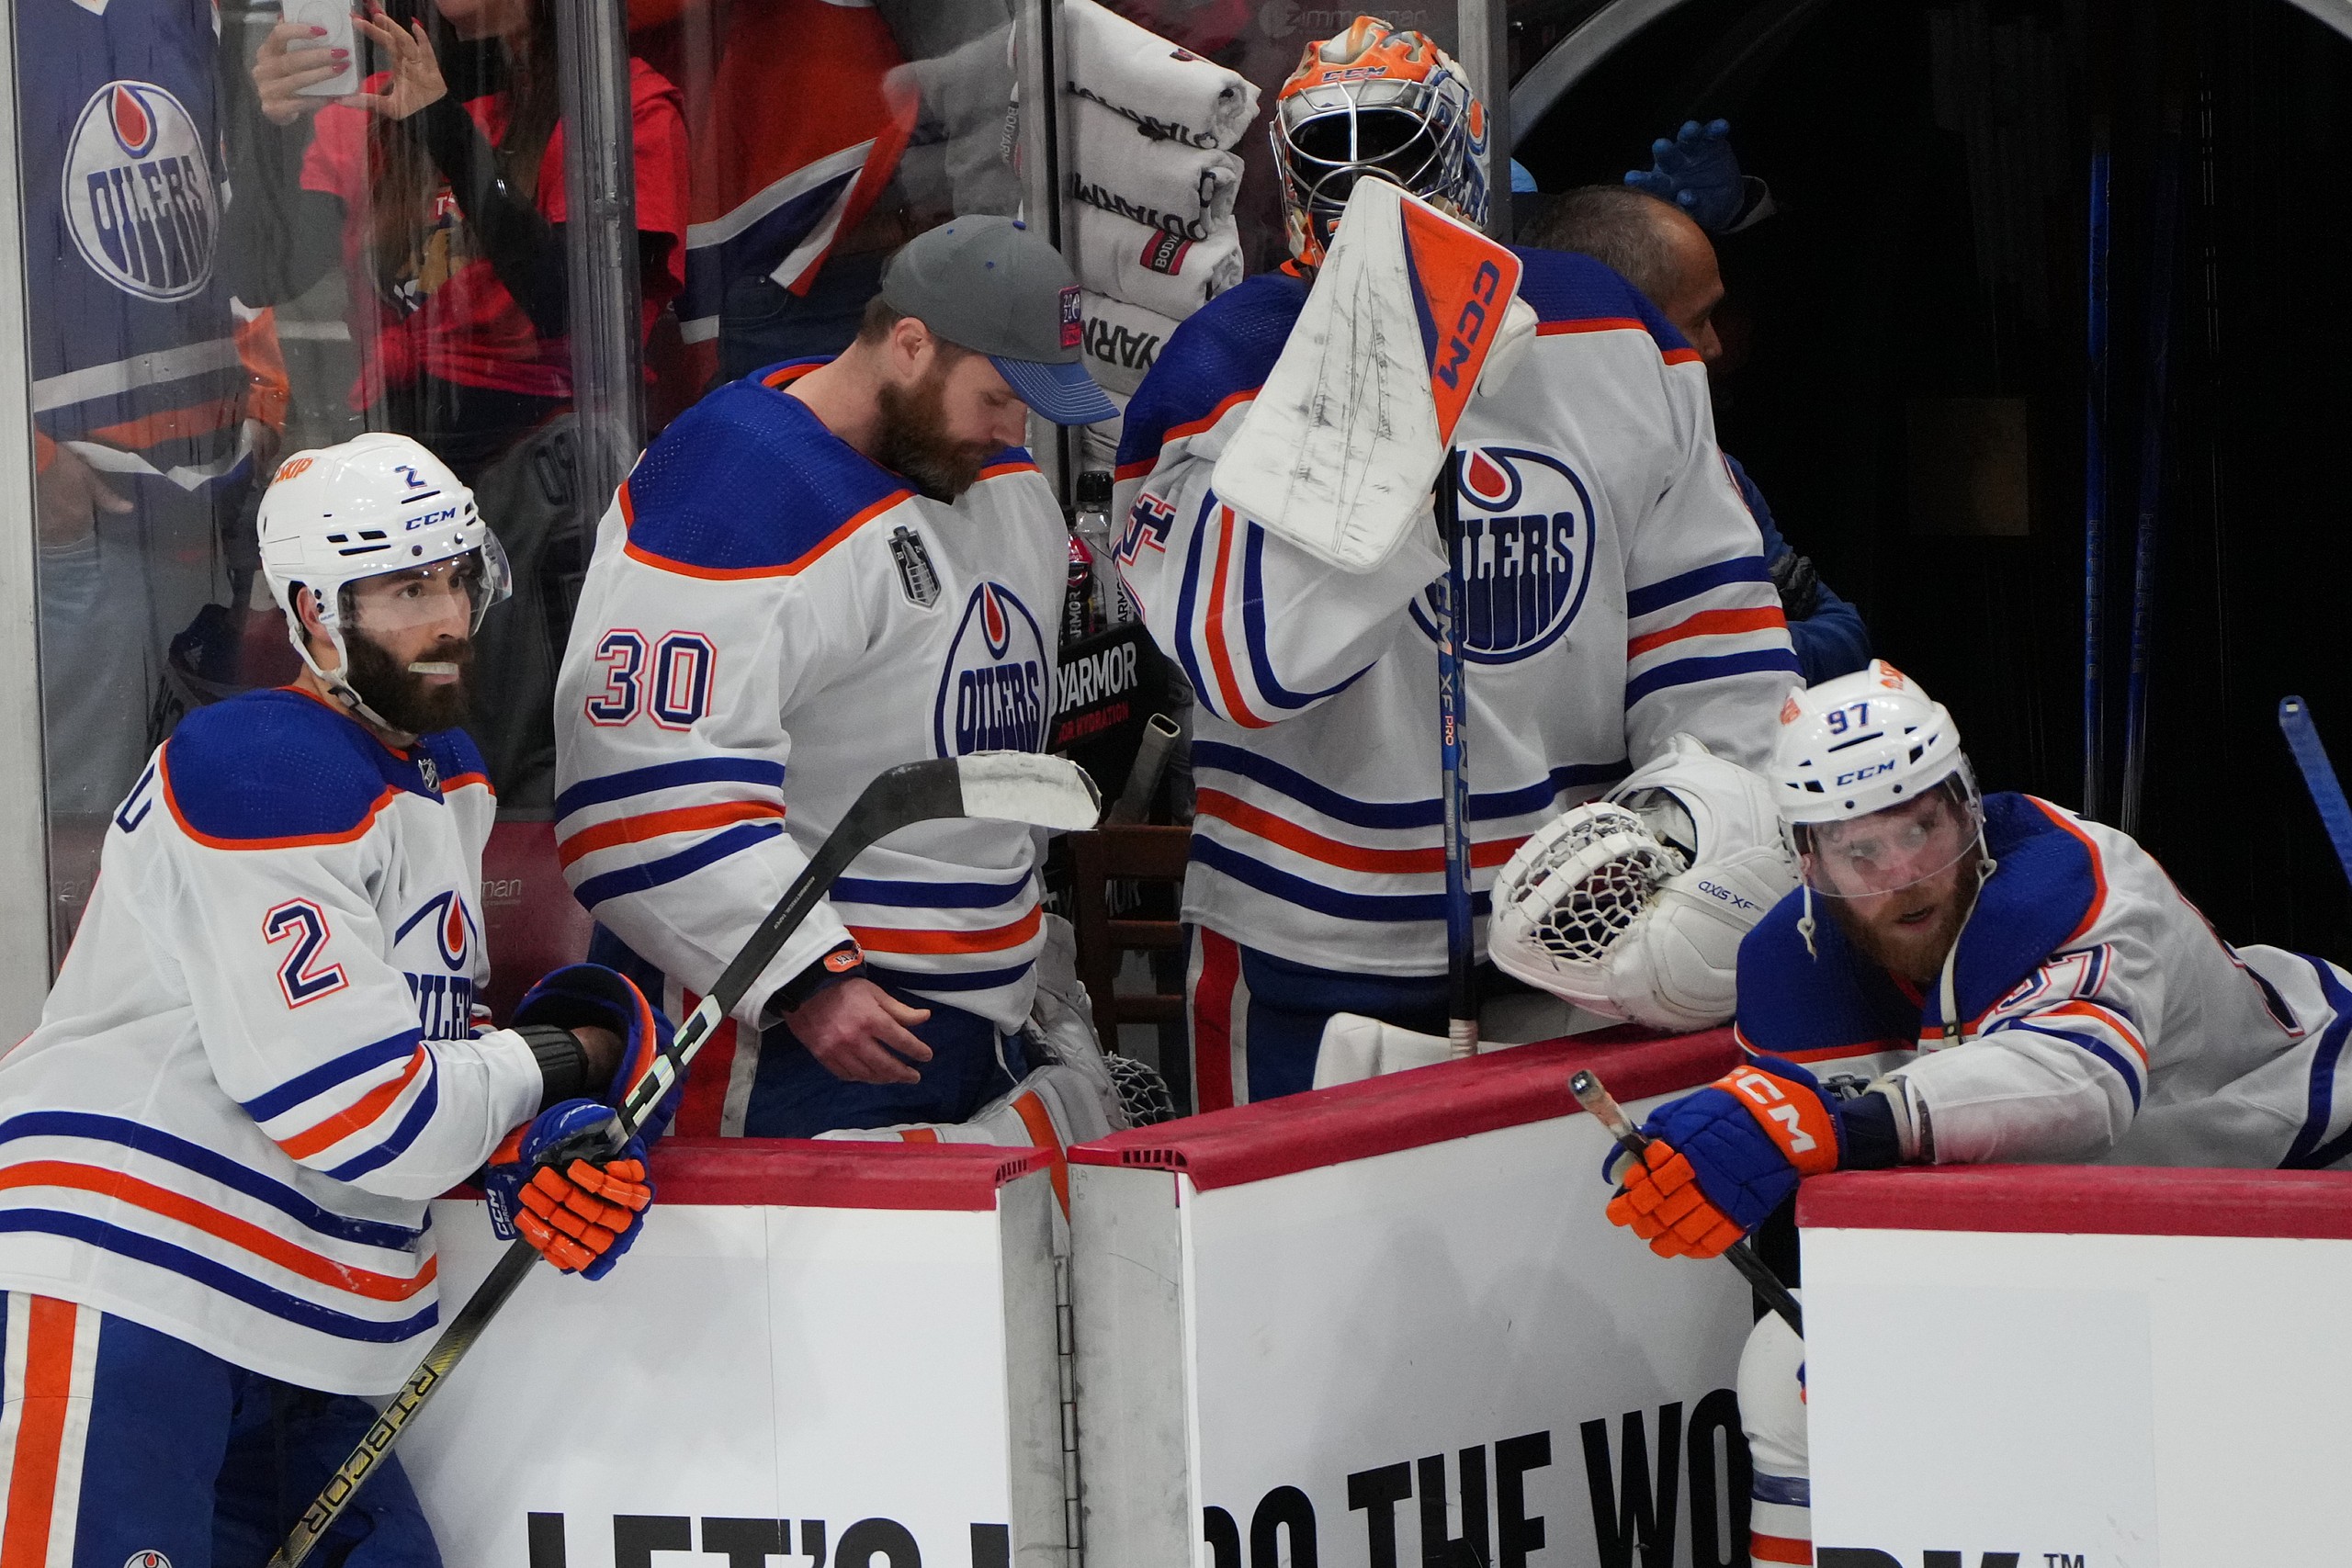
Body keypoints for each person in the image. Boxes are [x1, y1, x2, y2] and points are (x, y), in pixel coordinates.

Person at [0, 434, 674, 1562]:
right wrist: (568, 1060)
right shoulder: (260, 764)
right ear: (313, 614)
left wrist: (538, 1139)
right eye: (407, 588)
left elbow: (421, 1049)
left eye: (458, 578)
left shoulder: (440, 776)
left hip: (297, 1320)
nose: (449, 616)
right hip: (130, 1277)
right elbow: (371, 1115)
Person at [1112, 17, 1801, 1107]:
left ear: (1467, 154)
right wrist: (1394, 385)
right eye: (1334, 160)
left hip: (1587, 938)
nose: (1366, 187)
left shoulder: (1612, 334)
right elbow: (1248, 667)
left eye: (1396, 148)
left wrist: (1680, 843)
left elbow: (1712, 654)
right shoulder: (1224, 364)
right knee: (1299, 1278)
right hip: (1309, 956)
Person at [1602, 660, 2352, 1566]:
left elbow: (2078, 1086)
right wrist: (1714, 1158)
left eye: (1923, 826)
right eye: (1861, 852)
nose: (1908, 876)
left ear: (1965, 802)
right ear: (1808, 859)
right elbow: (1819, 1203)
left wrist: (1818, 1126)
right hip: (2099, 1247)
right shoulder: (1787, 967)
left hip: (2308, 1188)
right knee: (1792, 1376)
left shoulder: (2073, 878)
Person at [553, 215, 1119, 1139]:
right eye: (997, 396)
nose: (1015, 429)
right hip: (795, 1042)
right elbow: (630, 795)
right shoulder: (729, 490)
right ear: (909, 345)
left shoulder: (1000, 480)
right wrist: (805, 977)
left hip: (986, 1033)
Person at [230, 0, 689, 805]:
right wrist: (269, 126)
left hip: (543, 464)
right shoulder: (370, 95)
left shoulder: (620, 101)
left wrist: (445, 129)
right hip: (398, 472)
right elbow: (262, 274)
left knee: (527, 764)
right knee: (390, 756)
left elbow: (576, 309)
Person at [1526, 184, 1871, 685]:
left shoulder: (1713, 470)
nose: (1715, 346)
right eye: (1701, 320)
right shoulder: (1497, 488)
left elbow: (1843, 636)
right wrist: (1734, 629)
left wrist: (1718, 638)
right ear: (1622, 331)